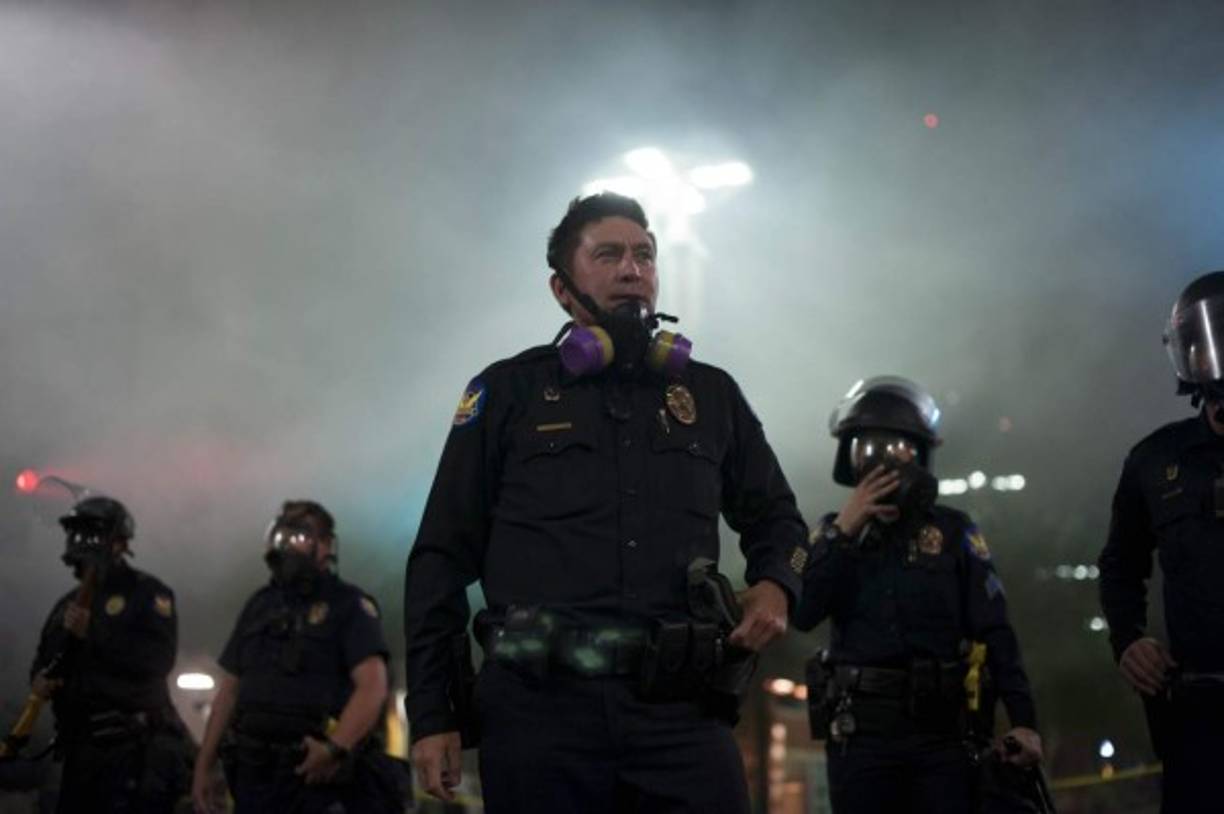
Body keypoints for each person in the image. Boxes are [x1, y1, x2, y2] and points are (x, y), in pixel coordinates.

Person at [403, 192, 809, 813]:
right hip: (540, 717)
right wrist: (434, 715)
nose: (632, 269)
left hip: (681, 713)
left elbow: (779, 519)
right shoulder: (507, 392)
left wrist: (778, 582)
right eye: (609, 254)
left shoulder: (710, 395)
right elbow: (439, 559)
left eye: (645, 255)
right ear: (562, 289)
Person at [795, 377, 1042, 814]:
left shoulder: (952, 531)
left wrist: (1024, 723)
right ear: (851, 458)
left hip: (943, 738)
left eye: (900, 450)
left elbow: (996, 630)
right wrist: (843, 532)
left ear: (921, 456)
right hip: (862, 736)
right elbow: (804, 610)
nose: (885, 464)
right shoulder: (833, 532)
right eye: (869, 450)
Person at [1099, 270, 1224, 812]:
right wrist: (1128, 640)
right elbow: (1120, 567)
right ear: (1187, 353)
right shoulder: (1156, 460)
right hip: (1197, 716)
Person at [191, 501, 407, 813]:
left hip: (313, 775)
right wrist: (204, 765)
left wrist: (336, 749)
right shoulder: (260, 605)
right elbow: (230, 690)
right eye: (284, 536)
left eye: (300, 537)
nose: (289, 545)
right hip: (253, 773)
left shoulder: (348, 606)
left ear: (326, 546)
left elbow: (372, 686)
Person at [29, 495, 193, 813]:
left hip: (131, 751)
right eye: (76, 535)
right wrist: (38, 679)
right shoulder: (67, 605)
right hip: (78, 752)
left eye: (92, 535)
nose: (82, 544)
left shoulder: (146, 593)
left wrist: (95, 634)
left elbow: (157, 660)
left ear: (119, 543)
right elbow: (45, 660)